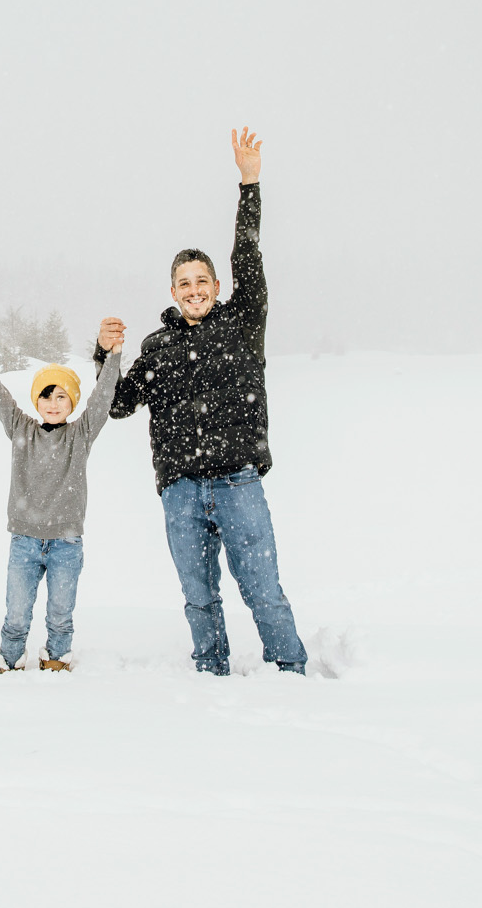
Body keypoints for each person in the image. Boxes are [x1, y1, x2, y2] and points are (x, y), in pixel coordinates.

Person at [103, 127, 309, 675]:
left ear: (217, 286)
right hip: (180, 489)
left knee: (263, 589)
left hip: (238, 480)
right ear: (172, 291)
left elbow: (248, 251)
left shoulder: (243, 323)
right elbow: (119, 404)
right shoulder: (159, 346)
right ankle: (210, 676)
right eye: (183, 282)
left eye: (202, 280)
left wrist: (249, 183)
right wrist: (105, 356)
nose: (194, 289)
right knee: (198, 597)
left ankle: (291, 673)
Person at [0, 304, 126, 673]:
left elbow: (103, 398)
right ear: (35, 399)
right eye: (46, 395)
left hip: (66, 542)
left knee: (60, 612)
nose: (52, 404)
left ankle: (57, 657)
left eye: (61, 397)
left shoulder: (80, 435)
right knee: (17, 611)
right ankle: (10, 658)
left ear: (72, 402)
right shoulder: (21, 428)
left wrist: (114, 357)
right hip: (24, 539)